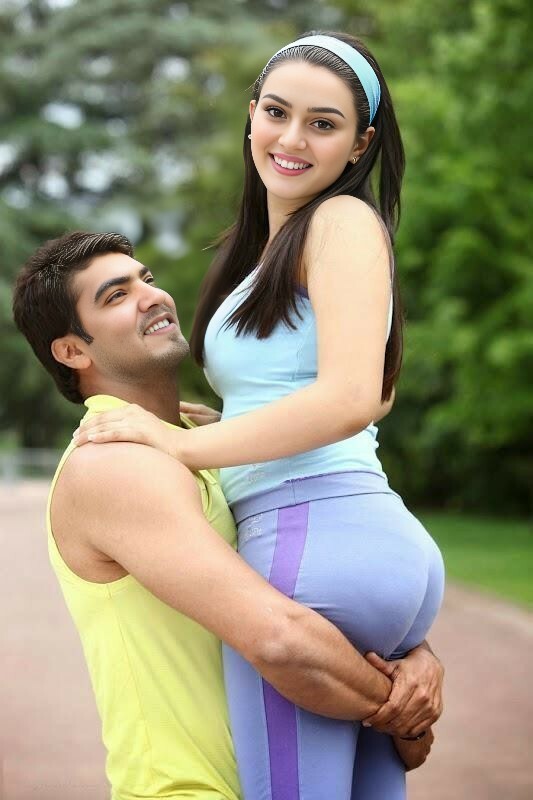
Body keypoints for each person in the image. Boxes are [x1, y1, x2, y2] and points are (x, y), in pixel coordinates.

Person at [74, 32, 445, 800]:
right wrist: (224, 423)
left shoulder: (338, 222)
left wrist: (174, 447)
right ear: (250, 115)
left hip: (310, 544)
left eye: (322, 123)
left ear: (360, 144)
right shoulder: (269, 249)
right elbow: (343, 390)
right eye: (276, 112)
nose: (291, 138)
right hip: (362, 543)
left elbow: (348, 399)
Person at [13, 232, 441, 800]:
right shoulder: (112, 466)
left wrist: (414, 653)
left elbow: (309, 583)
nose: (151, 296)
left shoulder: (202, 440)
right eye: (116, 295)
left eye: (146, 279)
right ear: (72, 352)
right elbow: (279, 636)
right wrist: (400, 706)